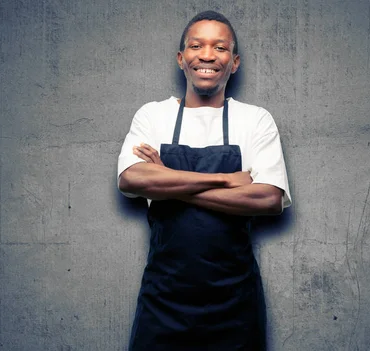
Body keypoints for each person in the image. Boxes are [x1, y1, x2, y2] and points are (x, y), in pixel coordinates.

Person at [117, 10, 292, 350]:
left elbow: (268, 200)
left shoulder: (255, 120)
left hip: (234, 302)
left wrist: (167, 180)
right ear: (182, 58)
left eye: (220, 47)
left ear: (234, 61)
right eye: (197, 45)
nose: (208, 55)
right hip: (163, 299)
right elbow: (130, 179)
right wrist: (228, 179)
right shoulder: (153, 115)